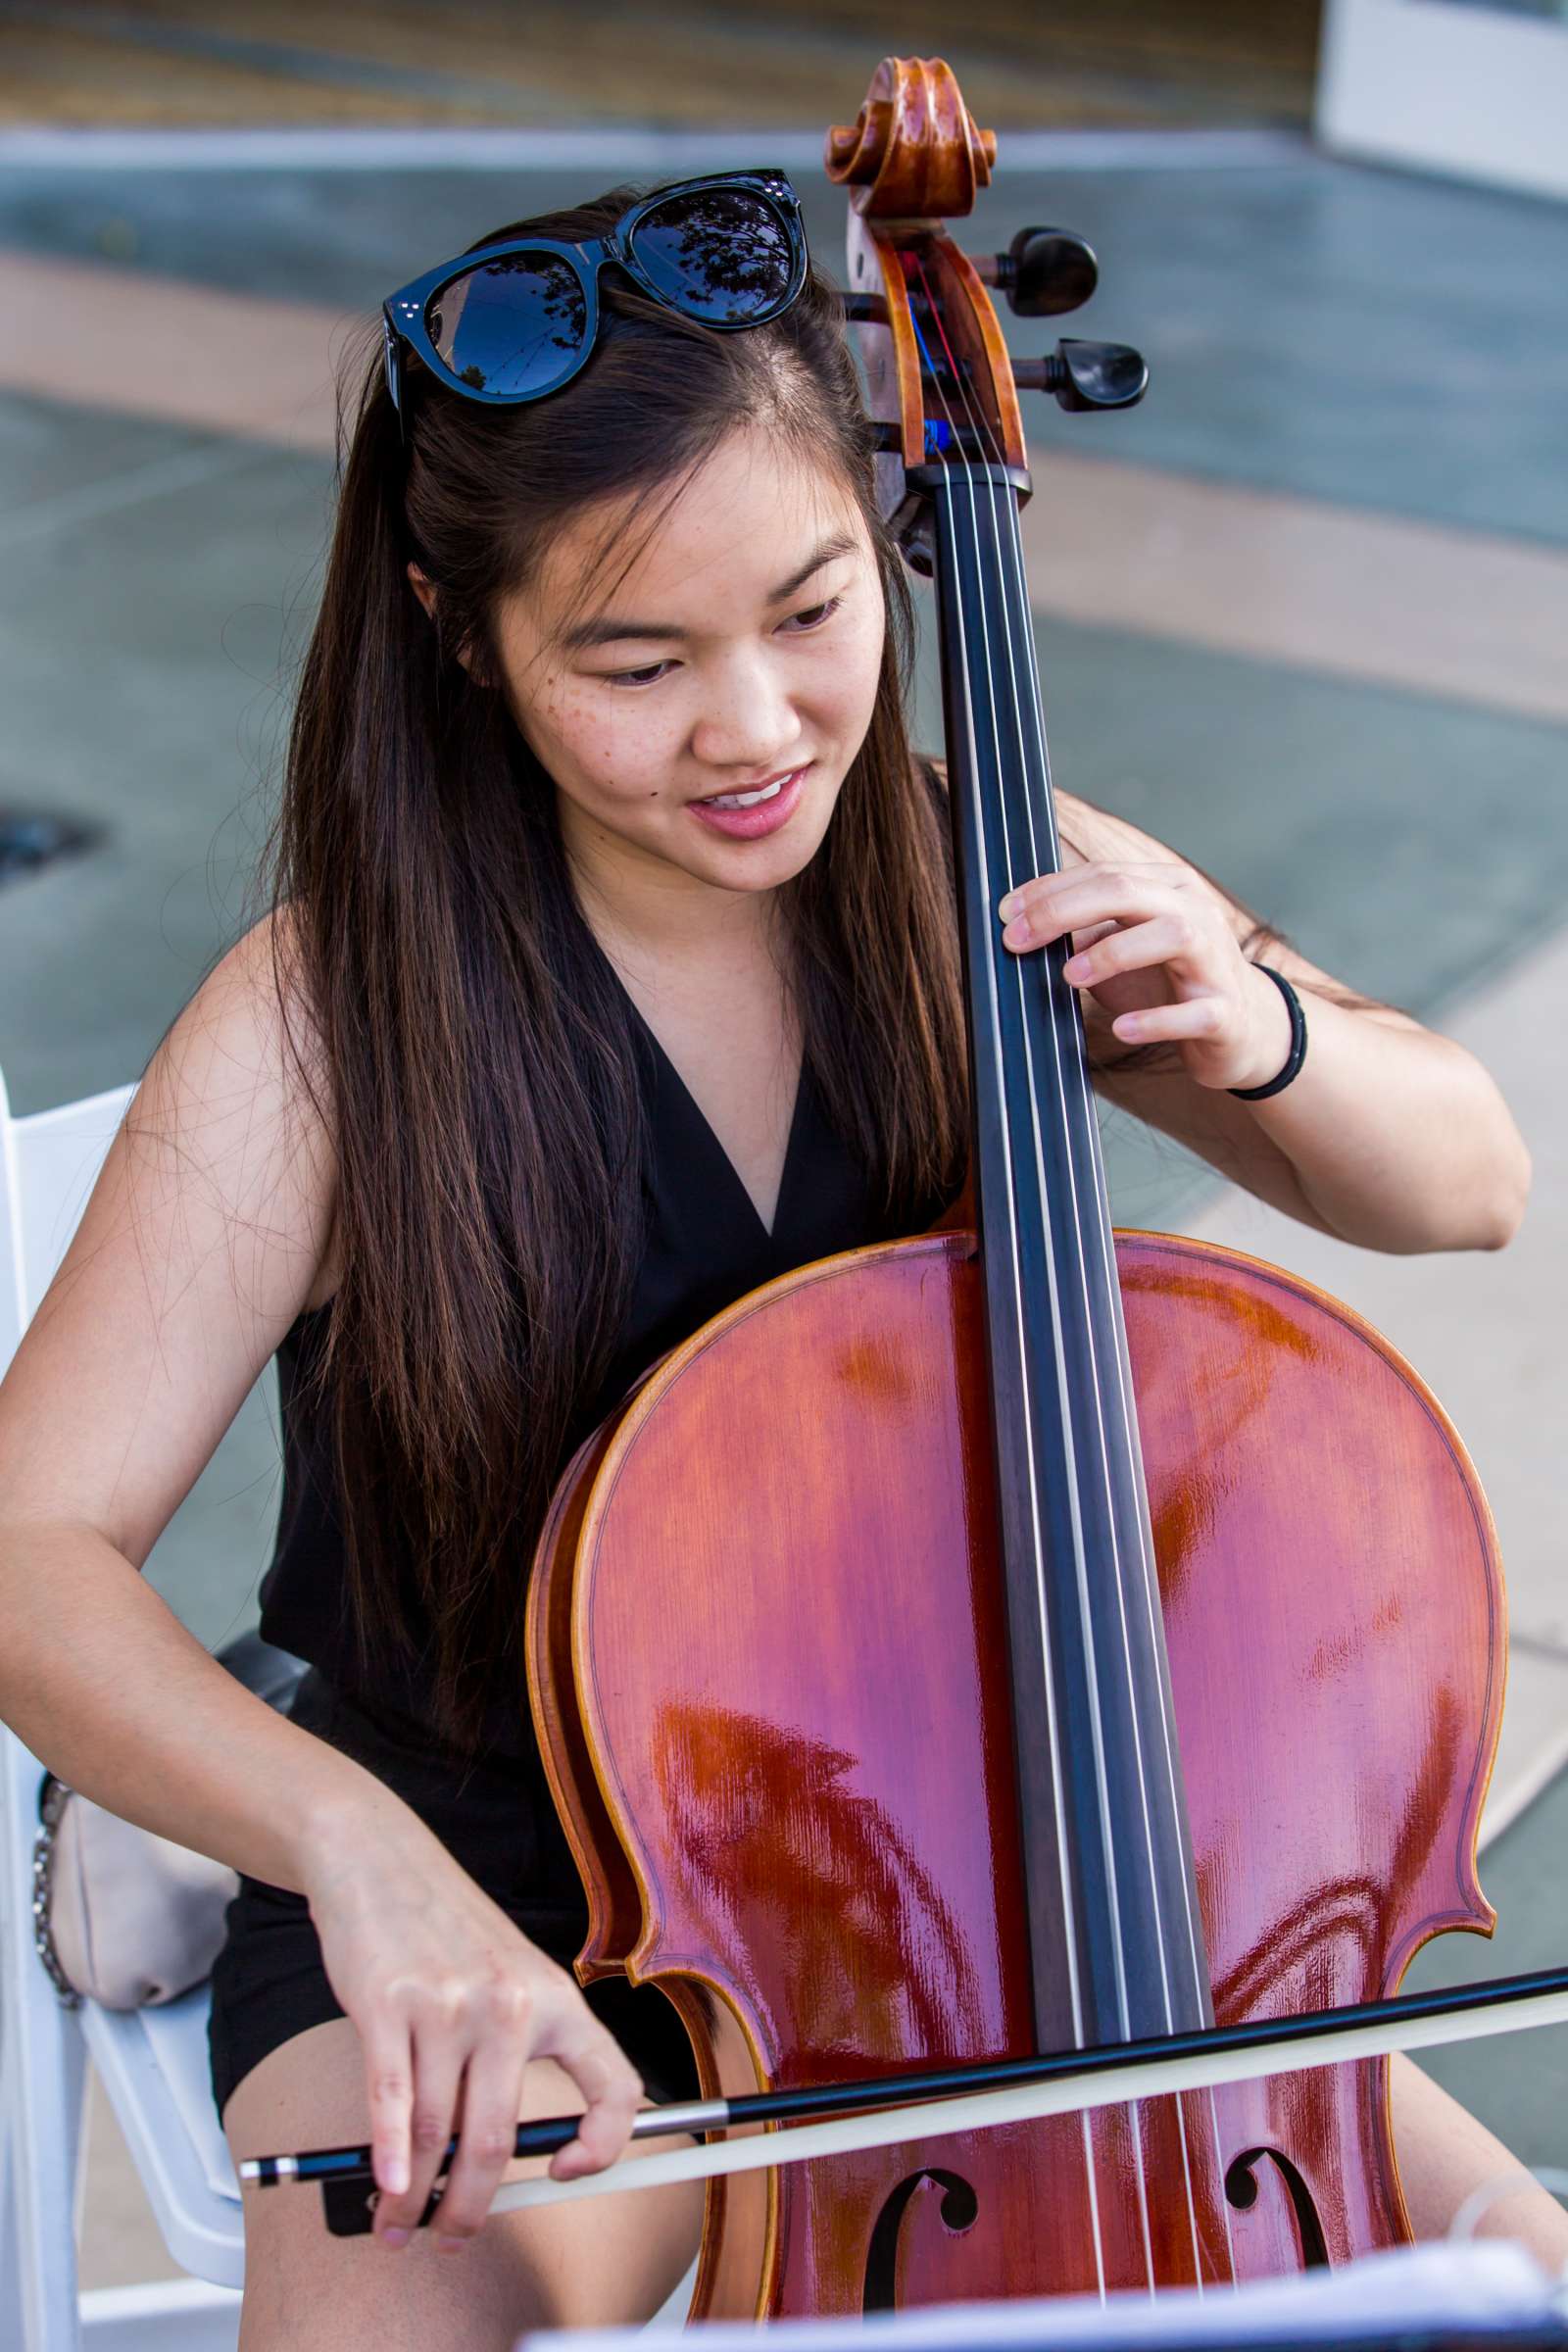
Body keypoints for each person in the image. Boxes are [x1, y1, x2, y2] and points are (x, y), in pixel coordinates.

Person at [0, 173, 1557, 2350]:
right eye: (634, 663)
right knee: (405, 2284)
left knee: (1512, 2288)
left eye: (812, 612)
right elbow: (29, 1546)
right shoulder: (328, 1026)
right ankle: (196, 1828)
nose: (752, 728)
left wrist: (1255, 1016)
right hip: (496, 1900)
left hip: (1009, 1894)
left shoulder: (985, 879)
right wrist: (358, 1859)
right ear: (466, 639)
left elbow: (1461, 1185)